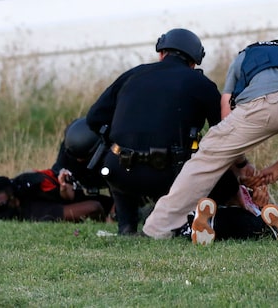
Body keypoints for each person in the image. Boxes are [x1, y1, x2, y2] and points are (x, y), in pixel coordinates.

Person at [142, 40, 278, 240]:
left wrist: (240, 164)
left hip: (260, 104)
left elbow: (225, 114)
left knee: (207, 158)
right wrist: (277, 168)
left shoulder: (243, 57)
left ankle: (159, 227)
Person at [85, 28, 225, 235]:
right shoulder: (201, 83)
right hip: (170, 175)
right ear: (194, 61)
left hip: (119, 171)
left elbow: (93, 118)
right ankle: (181, 224)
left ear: (162, 53)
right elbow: (224, 130)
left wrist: (117, 139)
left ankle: (127, 226)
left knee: (116, 159)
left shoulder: (132, 75)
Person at [0, 168, 107, 222]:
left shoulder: (36, 211)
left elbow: (94, 207)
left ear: (14, 200)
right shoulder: (24, 186)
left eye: (1, 206)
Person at [50, 117, 114, 214]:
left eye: (83, 159)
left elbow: (124, 187)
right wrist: (63, 189)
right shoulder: (69, 148)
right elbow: (58, 173)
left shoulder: (111, 149)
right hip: (82, 187)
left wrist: (114, 215)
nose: (79, 161)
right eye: (77, 158)